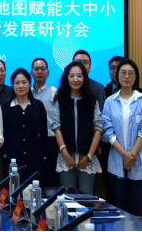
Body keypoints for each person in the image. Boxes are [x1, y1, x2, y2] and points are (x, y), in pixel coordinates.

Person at [102, 58, 142, 217]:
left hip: (139, 160)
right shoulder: (110, 102)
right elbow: (107, 130)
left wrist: (131, 155)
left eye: (131, 73)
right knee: (121, 209)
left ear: (135, 77)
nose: (127, 76)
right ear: (117, 75)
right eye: (123, 73)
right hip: (116, 162)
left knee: (139, 210)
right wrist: (124, 154)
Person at [52, 62, 103, 194]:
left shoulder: (92, 100)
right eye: (72, 76)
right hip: (66, 157)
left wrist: (89, 156)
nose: (75, 79)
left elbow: (98, 128)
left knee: (86, 198)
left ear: (84, 78)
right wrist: (66, 154)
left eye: (79, 76)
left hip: (87, 157)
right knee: (69, 198)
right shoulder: (60, 99)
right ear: (66, 78)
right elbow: (56, 127)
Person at [3, 69, 48, 183]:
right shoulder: (7, 107)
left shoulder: (38, 105)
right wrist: (5, 153)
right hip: (13, 158)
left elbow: (43, 132)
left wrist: (43, 154)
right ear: (12, 85)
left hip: (35, 157)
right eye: (17, 83)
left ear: (29, 83)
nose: (21, 86)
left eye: (24, 82)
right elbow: (4, 132)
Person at [30, 58, 59, 186]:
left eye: (43, 69)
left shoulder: (54, 93)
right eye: (36, 69)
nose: (39, 72)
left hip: (50, 141)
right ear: (31, 73)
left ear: (48, 73)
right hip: (31, 141)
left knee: (49, 180)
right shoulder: (26, 93)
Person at [100, 55, 124, 204]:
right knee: (111, 188)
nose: (115, 71)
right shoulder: (104, 91)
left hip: (131, 149)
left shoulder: (138, 93)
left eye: (119, 68)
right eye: (112, 68)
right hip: (108, 147)